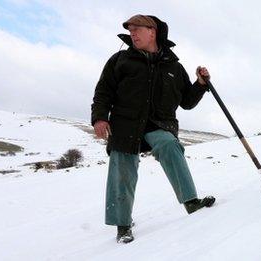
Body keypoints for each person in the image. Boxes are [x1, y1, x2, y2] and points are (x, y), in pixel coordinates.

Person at [91, 14, 215, 244]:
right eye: (130, 30)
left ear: (153, 31)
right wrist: (99, 118)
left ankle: (191, 202)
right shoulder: (120, 60)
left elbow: (186, 101)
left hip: (159, 124)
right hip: (125, 124)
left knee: (169, 145)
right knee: (122, 165)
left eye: (137, 29)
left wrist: (200, 84)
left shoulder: (173, 67)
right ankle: (123, 225)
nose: (133, 34)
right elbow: (103, 92)